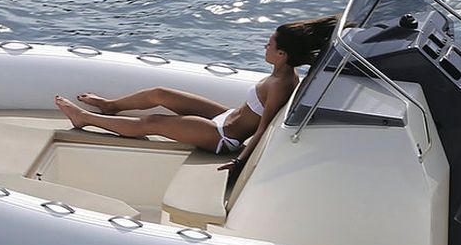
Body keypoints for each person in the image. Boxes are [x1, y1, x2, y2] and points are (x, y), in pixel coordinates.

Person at [54, 16, 337, 171]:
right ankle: (110, 106)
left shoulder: (281, 84)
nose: (264, 45)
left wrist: (239, 161)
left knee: (154, 122)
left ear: (282, 54)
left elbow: (261, 130)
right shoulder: (281, 74)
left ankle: (85, 119)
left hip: (223, 138)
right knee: (160, 93)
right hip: (225, 118)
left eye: (269, 44)